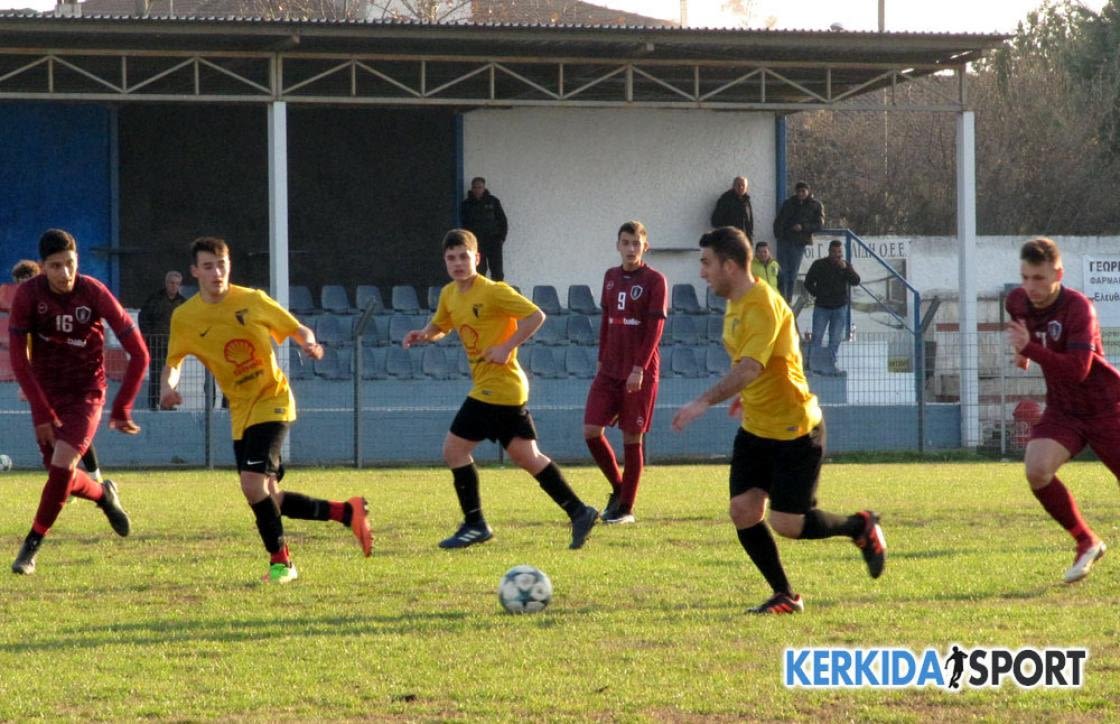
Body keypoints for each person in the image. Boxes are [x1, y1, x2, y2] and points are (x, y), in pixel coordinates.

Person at [671, 226, 885, 615]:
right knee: (743, 511)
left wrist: (703, 401)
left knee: (788, 523)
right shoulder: (735, 303)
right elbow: (757, 363)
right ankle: (784, 594)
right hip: (756, 428)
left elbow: (750, 367)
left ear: (729, 265)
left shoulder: (762, 305)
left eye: (707, 263)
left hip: (795, 431)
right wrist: (745, 395)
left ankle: (860, 526)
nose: (702, 272)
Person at [159, 237, 372, 584]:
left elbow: (296, 328)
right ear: (194, 271)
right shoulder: (185, 317)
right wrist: (168, 388)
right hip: (240, 412)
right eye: (208, 266)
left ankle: (282, 563)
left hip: (273, 400)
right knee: (270, 496)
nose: (217, 273)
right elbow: (174, 362)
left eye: (222, 265)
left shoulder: (252, 300)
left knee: (251, 484)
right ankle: (348, 513)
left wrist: (309, 342)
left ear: (229, 266)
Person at [403, 229, 598, 550]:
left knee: (454, 450)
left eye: (464, 257)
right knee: (528, 457)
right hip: (500, 389)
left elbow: (535, 316)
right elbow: (441, 325)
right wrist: (424, 334)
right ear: (445, 261)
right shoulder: (450, 294)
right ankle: (579, 512)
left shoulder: (494, 291)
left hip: (498, 388)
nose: (458, 263)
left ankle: (475, 524)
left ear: (477, 258)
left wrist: (506, 347)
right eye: (451, 258)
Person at [7, 229, 149, 575]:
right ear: (42, 267)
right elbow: (19, 359)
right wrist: (40, 410)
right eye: (56, 266)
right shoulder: (28, 296)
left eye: (70, 263)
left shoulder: (94, 292)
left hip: (87, 393)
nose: (65, 273)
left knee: (61, 467)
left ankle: (31, 547)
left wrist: (122, 407)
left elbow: (140, 354)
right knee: (61, 475)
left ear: (78, 261)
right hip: (48, 395)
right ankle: (103, 495)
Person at [1005, 237, 1119, 584]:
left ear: (1058, 274)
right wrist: (1022, 352)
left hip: (1106, 407)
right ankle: (1086, 541)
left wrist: (1029, 349)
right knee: (1037, 470)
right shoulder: (1017, 301)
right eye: (1025, 277)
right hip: (1064, 410)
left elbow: (1078, 370)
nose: (1031, 287)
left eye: (1039, 278)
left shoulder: (1079, 308)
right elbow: (1024, 329)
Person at [583, 220, 667, 524]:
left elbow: (655, 328)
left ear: (645, 247)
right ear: (618, 245)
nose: (631, 249)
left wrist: (639, 368)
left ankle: (626, 508)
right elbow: (606, 322)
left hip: (638, 371)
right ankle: (620, 489)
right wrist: (600, 359)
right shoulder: (610, 277)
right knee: (591, 430)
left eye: (636, 243)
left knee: (632, 437)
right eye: (626, 243)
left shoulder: (655, 280)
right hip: (609, 368)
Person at [7, 259, 107, 490]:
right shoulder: (23, 308)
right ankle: (68, 481)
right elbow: (24, 349)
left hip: (70, 376)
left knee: (72, 429)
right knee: (55, 430)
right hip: (44, 378)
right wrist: (27, 381)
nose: (25, 286)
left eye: (28, 281)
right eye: (20, 283)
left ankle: (93, 478)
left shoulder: (57, 303)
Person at [803, 240, 860, 376]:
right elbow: (808, 282)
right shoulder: (819, 264)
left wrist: (846, 269)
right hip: (822, 307)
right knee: (817, 337)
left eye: (839, 252)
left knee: (835, 339)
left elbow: (856, 281)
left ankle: (830, 365)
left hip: (840, 308)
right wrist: (817, 293)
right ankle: (814, 367)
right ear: (829, 252)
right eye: (834, 252)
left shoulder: (845, 266)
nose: (836, 255)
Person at [138, 270, 186, 410]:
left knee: (172, 376)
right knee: (156, 374)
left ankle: (168, 404)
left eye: (177, 283)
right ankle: (153, 404)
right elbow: (143, 317)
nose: (174, 286)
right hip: (157, 344)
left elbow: (188, 322)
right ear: (166, 283)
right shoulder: (155, 300)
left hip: (174, 346)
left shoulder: (183, 303)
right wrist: (149, 335)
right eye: (171, 283)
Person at [773, 181, 825, 302]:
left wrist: (803, 227)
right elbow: (779, 220)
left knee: (792, 274)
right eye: (798, 191)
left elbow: (819, 224)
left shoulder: (815, 205)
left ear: (808, 191)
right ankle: (781, 299)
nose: (801, 193)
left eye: (803, 191)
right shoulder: (788, 203)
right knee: (782, 273)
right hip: (784, 241)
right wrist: (779, 234)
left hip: (799, 243)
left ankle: (788, 300)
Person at [459, 177, 509, 282]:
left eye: (480, 187)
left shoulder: (493, 202)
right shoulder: (466, 204)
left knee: (497, 272)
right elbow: (463, 225)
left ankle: (498, 291)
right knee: (479, 271)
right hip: (476, 243)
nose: (477, 190)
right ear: (472, 188)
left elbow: (503, 221)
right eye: (475, 187)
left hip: (493, 241)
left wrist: (501, 238)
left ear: (484, 188)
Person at [710, 176, 754, 241]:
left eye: (743, 185)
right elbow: (715, 221)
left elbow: (750, 223)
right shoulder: (725, 200)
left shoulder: (747, 201)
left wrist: (750, 240)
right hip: (729, 241)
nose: (741, 187)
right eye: (738, 185)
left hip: (743, 241)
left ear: (746, 188)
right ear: (733, 186)